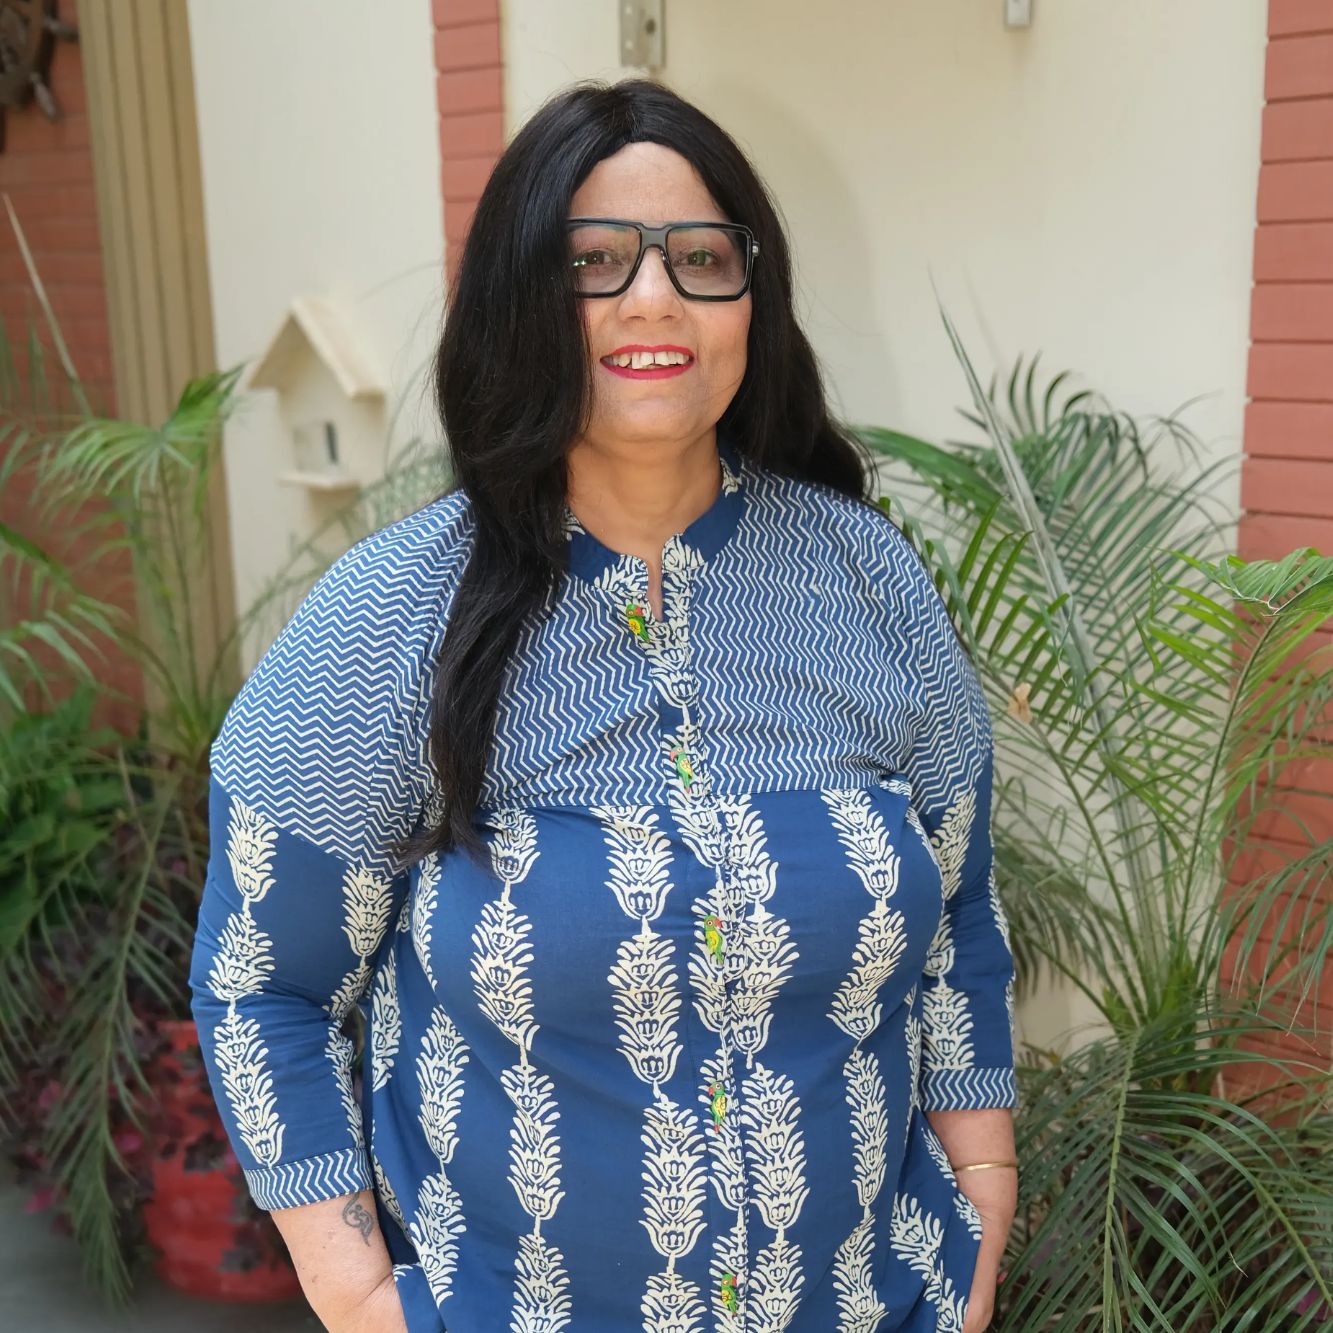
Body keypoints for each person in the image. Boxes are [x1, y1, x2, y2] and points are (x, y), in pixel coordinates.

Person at [188, 76, 1018, 1333]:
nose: (654, 299)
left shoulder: (869, 579)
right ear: (520, 301)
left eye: (700, 258)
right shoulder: (389, 619)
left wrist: (981, 1212)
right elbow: (264, 982)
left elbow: (958, 918)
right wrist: (361, 1297)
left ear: (755, 297)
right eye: (594, 263)